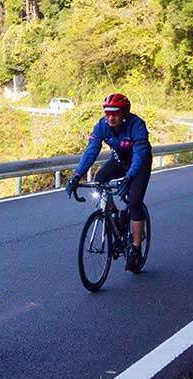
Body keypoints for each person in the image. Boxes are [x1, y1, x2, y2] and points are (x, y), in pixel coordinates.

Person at [65, 93, 152, 272]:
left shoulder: (137, 125)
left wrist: (129, 178)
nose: (111, 117)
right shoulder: (102, 126)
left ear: (124, 113)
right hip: (119, 161)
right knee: (100, 180)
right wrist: (77, 175)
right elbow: (91, 151)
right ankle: (112, 214)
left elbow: (139, 154)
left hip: (140, 163)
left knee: (134, 201)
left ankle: (136, 247)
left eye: (115, 113)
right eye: (107, 113)